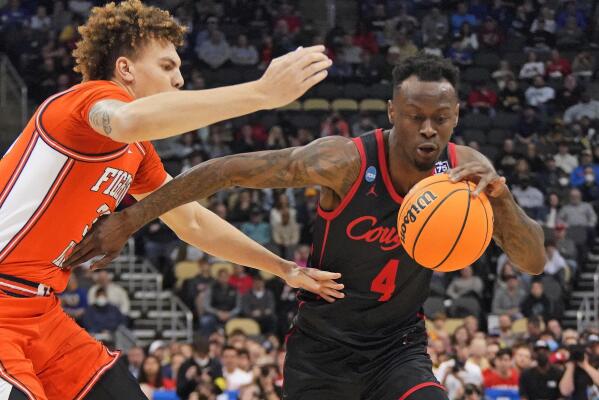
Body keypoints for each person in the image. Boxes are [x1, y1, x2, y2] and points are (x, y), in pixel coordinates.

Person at [66, 54, 546, 400]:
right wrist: (130, 218)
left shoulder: (468, 174)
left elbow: (533, 260)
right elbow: (227, 170)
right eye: (415, 117)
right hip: (321, 349)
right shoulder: (343, 161)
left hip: (398, 347)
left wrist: (502, 201)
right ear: (392, 113)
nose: (427, 130)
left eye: (439, 119)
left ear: (455, 116)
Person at [0, 1, 341, 399]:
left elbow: (192, 223)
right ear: (125, 68)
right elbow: (130, 120)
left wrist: (283, 268)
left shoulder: (138, 153)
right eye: (166, 66)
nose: (179, 79)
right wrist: (260, 93)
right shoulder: (85, 103)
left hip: (43, 315)